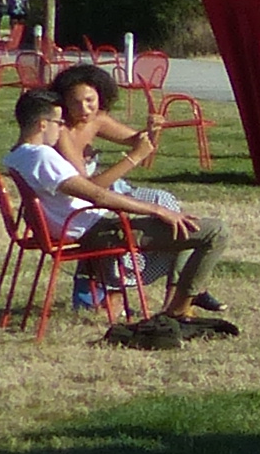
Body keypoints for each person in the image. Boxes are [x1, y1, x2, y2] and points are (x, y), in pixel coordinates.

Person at [37, 65, 233, 335]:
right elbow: (91, 189)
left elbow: (138, 140)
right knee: (178, 222)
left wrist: (151, 130)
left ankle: (179, 294)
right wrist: (134, 158)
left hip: (112, 192)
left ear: (101, 96)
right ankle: (179, 295)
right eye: (75, 102)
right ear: (63, 102)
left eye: (90, 100)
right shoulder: (63, 134)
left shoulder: (97, 120)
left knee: (170, 205)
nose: (84, 109)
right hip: (93, 204)